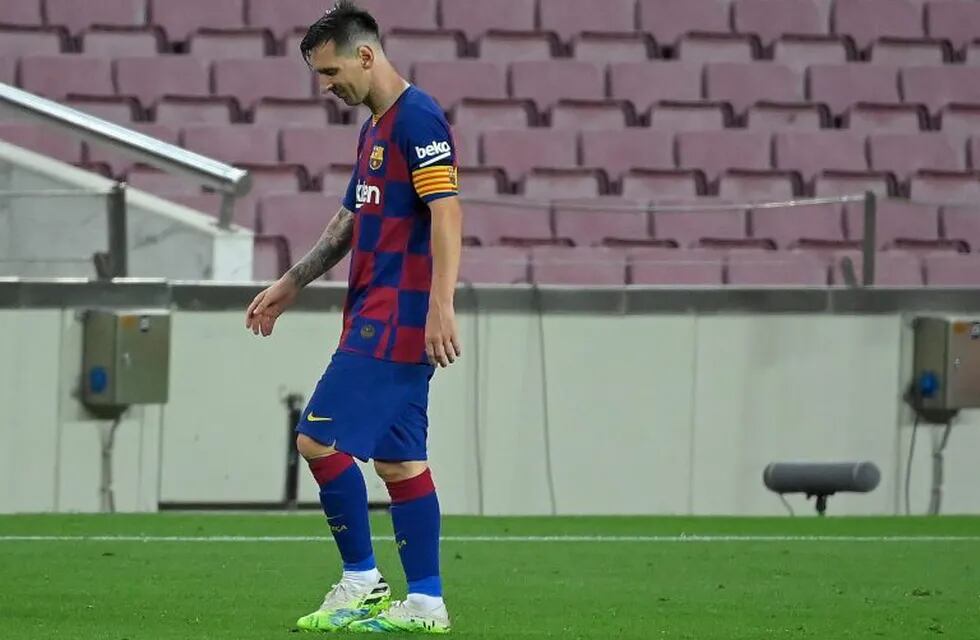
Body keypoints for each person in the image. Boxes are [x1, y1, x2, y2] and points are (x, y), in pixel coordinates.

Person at [245, 1, 462, 633]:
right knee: (401, 465)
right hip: (374, 310)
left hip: (397, 318)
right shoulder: (374, 127)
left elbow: (446, 210)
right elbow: (351, 219)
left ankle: (363, 582)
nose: (326, 85)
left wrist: (440, 306)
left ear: (366, 55)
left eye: (331, 70)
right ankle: (425, 604)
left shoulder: (418, 119)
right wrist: (292, 281)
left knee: (316, 437)